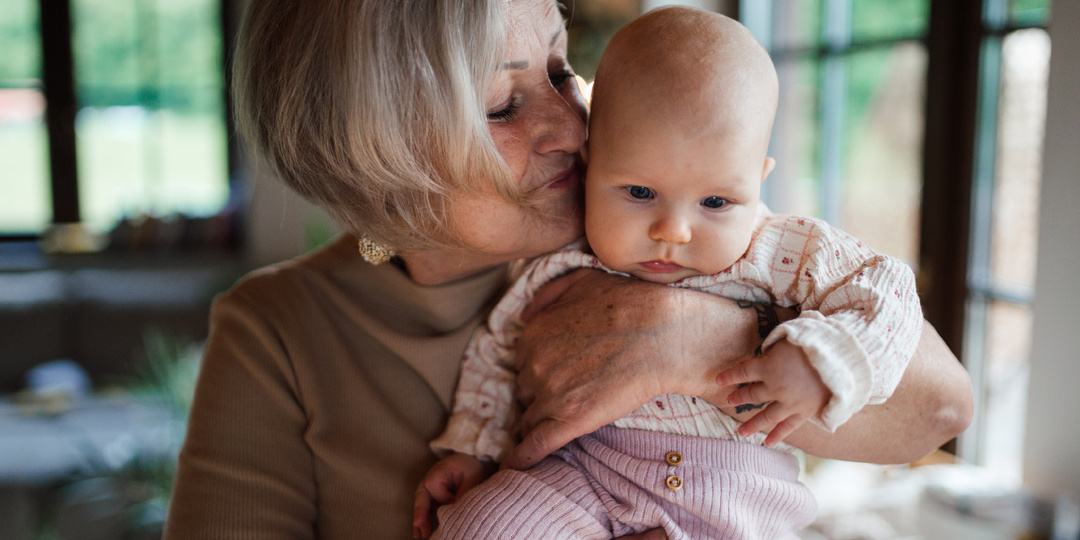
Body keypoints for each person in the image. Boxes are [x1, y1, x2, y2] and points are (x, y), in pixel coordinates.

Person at [162, 1, 973, 539]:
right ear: (376, 159)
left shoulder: (669, 232)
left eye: (557, 70)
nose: (573, 122)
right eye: (502, 106)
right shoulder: (273, 335)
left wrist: (691, 343)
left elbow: (939, 409)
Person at [415, 7, 925, 539]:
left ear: (757, 182)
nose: (674, 230)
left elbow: (887, 287)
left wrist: (823, 359)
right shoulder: (561, 257)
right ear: (589, 164)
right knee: (479, 525)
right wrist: (473, 447)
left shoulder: (783, 248)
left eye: (715, 200)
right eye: (639, 192)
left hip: (732, 497)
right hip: (579, 474)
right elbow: (498, 354)